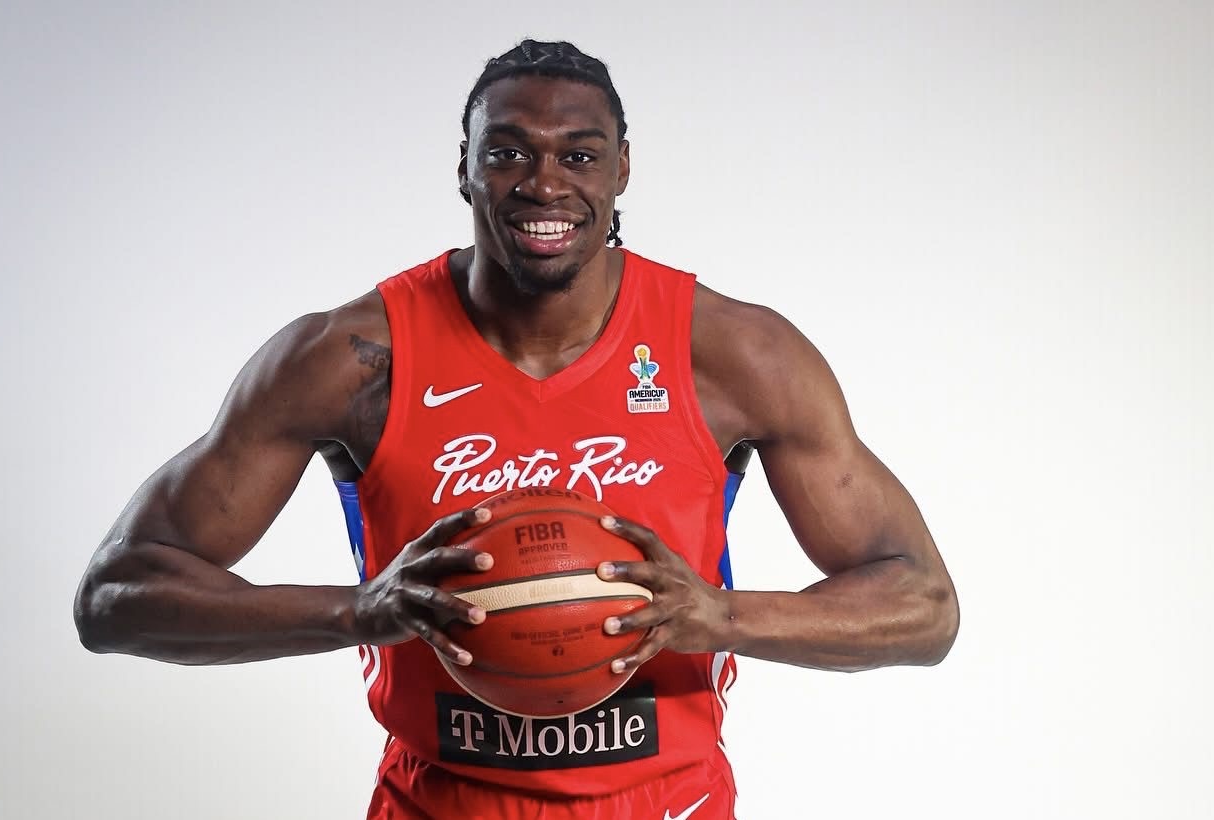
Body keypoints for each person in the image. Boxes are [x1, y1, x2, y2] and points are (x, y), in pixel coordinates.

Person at [74, 39, 959, 820]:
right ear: (463, 169)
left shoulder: (733, 353)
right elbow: (118, 596)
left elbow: (922, 606)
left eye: (579, 154)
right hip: (437, 801)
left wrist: (719, 615)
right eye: (506, 153)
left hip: (669, 803)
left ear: (621, 169)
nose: (544, 184)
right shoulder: (350, 359)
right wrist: (358, 610)